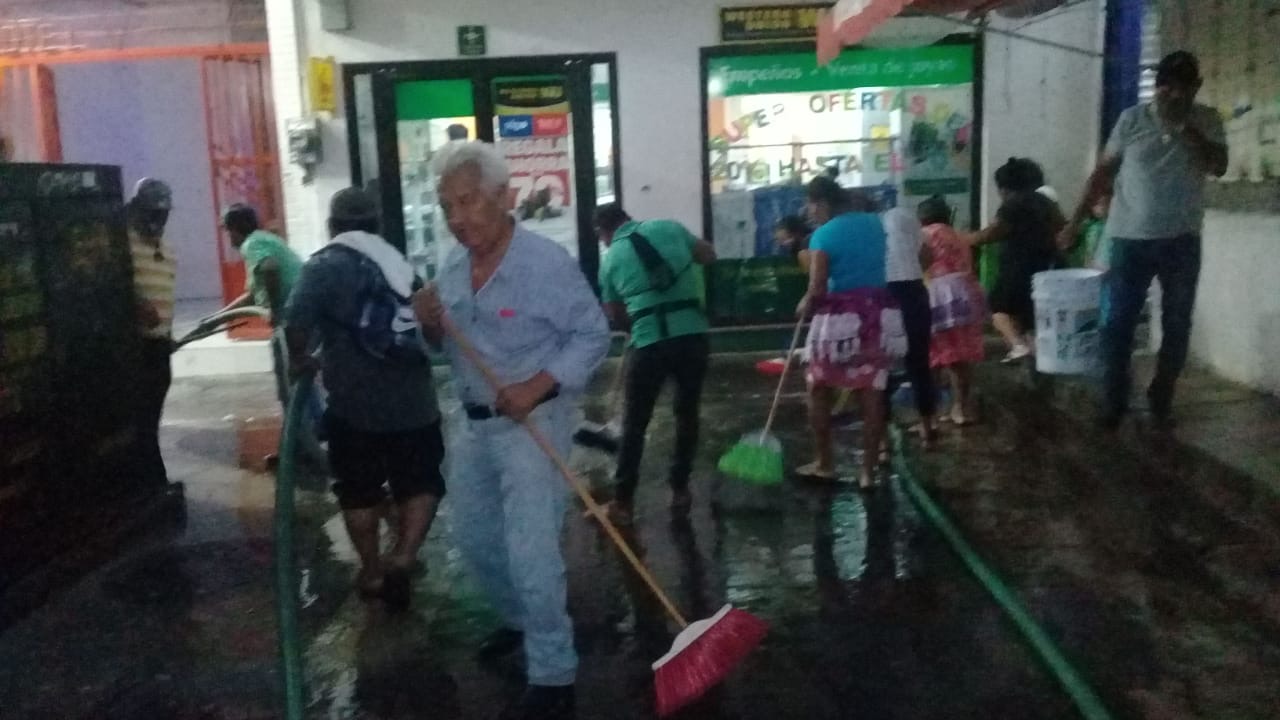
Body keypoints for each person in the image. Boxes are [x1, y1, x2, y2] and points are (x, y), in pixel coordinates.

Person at [412, 141, 609, 720]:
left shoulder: (543, 264)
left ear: (504, 197)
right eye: (448, 206)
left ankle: (554, 671)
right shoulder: (450, 268)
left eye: (468, 202)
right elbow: (443, 347)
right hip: (473, 423)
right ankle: (523, 622)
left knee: (531, 552)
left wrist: (538, 386)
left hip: (534, 422)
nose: (457, 218)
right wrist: (428, 325)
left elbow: (593, 336)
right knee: (474, 540)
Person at [284, 187, 446, 611]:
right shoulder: (398, 264)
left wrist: (301, 358)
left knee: (358, 491)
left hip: (355, 407)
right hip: (415, 401)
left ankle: (374, 569)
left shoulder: (321, 267)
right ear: (376, 225)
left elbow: (295, 320)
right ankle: (405, 555)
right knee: (421, 481)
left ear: (333, 226)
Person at [1061, 51, 1227, 430]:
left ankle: (1161, 395)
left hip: (1182, 240)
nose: (1171, 94)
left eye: (1181, 87)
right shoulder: (1131, 120)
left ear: (1195, 88)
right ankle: (1113, 401)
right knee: (1117, 323)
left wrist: (1188, 132)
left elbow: (1219, 166)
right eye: (1165, 86)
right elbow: (1102, 174)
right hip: (1129, 240)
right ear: (1157, 86)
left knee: (1177, 324)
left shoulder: (1207, 120)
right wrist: (1074, 222)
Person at [594, 202, 717, 525]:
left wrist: (631, 328)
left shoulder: (609, 261)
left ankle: (622, 503)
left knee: (635, 423)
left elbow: (614, 312)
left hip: (649, 343)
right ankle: (680, 490)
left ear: (604, 232)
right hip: (692, 337)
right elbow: (708, 254)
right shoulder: (669, 226)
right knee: (686, 413)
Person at [794, 177, 906, 489]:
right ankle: (868, 472)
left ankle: (825, 463)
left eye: (811, 205)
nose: (809, 211)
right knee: (870, 390)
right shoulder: (873, 224)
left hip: (838, 322)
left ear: (822, 203)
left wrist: (804, 303)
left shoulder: (823, 235)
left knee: (818, 386)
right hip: (878, 316)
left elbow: (817, 288)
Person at [968, 157, 1065, 363]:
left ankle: (1017, 346)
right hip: (1046, 266)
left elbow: (992, 233)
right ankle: (1037, 357)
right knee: (1028, 316)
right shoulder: (1046, 203)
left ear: (1006, 188)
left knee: (998, 309)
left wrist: (966, 238)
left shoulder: (1013, 205)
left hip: (1018, 267)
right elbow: (1061, 227)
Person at [212, 204, 304, 409]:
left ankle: (301, 430)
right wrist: (217, 318)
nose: (229, 237)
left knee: (290, 379)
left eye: (228, 231)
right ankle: (307, 427)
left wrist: (272, 308)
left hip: (291, 316)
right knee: (298, 377)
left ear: (235, 229)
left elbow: (270, 267)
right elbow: (253, 297)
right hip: (300, 313)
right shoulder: (265, 239)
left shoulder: (252, 244)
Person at [919, 195, 986, 425]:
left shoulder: (925, 235)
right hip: (965, 296)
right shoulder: (958, 236)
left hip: (937, 297)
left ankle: (932, 416)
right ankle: (960, 408)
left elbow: (920, 266)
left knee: (933, 357)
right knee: (959, 356)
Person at [127, 178, 177, 489]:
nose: (157, 220)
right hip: (134, 347)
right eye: (151, 214)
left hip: (159, 347)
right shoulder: (122, 243)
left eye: (162, 215)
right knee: (139, 418)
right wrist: (136, 303)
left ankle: (150, 478)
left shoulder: (168, 250)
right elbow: (108, 282)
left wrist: (167, 334)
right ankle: (149, 480)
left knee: (151, 417)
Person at [882, 199, 938, 447]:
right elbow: (927, 254)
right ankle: (927, 430)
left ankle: (881, 441)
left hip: (885, 294)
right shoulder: (905, 216)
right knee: (919, 363)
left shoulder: (871, 226)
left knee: (880, 366)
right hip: (914, 291)